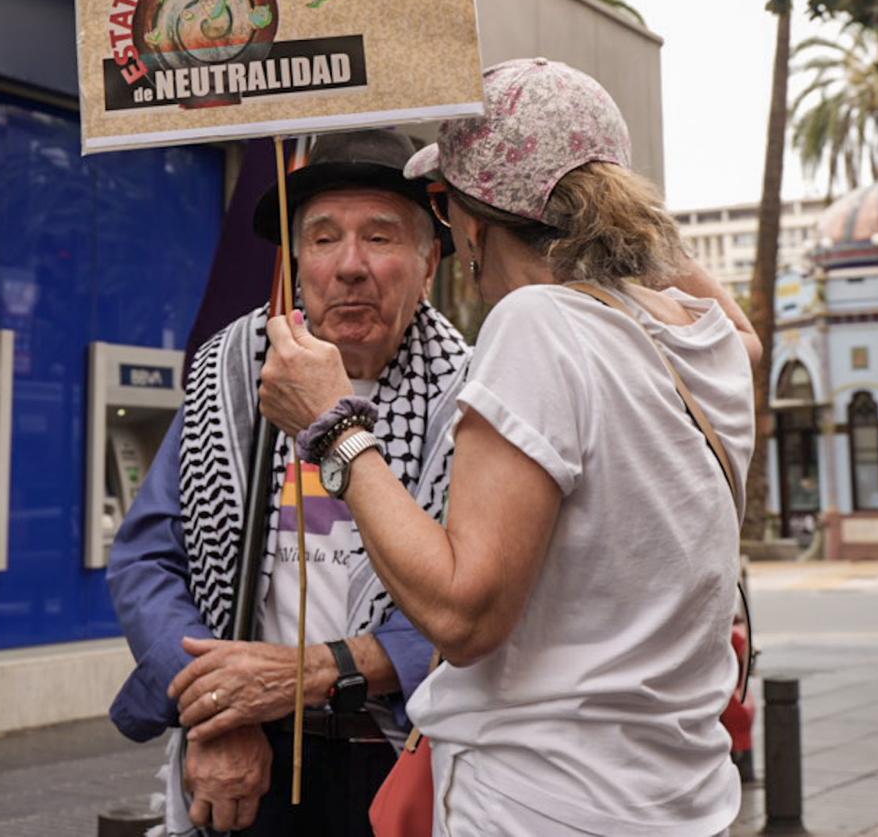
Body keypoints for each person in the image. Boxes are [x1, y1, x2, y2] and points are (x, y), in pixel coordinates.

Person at [257, 57, 760, 835]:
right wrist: (611, 206)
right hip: (681, 802)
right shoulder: (710, 341)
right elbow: (744, 332)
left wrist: (331, 426)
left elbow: (465, 614)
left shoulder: (538, 325)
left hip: (543, 804)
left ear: (471, 224)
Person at [106, 130, 469, 836]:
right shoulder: (232, 374)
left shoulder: (473, 397)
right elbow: (147, 561)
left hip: (404, 755)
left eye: (382, 237)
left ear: (429, 263)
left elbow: (481, 602)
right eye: (325, 238)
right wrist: (218, 710)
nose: (351, 266)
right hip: (247, 756)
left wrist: (314, 674)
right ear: (295, 263)